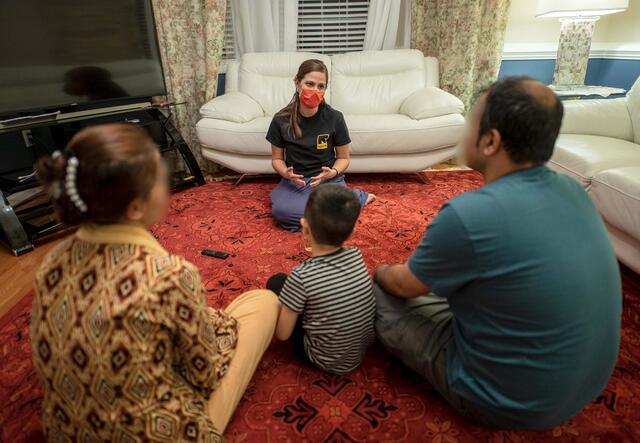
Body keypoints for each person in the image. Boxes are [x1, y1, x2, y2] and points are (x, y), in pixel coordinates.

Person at [373, 77, 622, 429]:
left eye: (470, 119)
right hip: (583, 388)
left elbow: (403, 285)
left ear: (490, 141)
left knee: (376, 291)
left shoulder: (469, 215)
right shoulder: (573, 189)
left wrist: (379, 269)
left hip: (502, 400)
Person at [30, 124, 279, 442]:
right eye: (160, 177)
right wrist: (218, 328)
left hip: (66, 432)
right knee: (262, 302)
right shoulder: (169, 274)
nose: (167, 184)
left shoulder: (51, 262)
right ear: (135, 207)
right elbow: (205, 373)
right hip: (159, 432)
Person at [266, 184, 375, 374]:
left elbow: (282, 335)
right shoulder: (357, 257)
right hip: (358, 354)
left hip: (322, 359)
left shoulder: (301, 276)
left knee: (276, 282)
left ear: (305, 229)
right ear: (352, 233)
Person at [267, 59, 375, 232]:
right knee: (282, 213)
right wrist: (285, 174)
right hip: (297, 181)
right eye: (309, 84)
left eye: (321, 86)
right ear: (297, 84)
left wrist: (332, 172)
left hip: (328, 180)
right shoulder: (280, 119)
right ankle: (328, 215)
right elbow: (277, 159)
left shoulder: (335, 118)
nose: (315, 90)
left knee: (334, 209)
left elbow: (343, 157)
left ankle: (356, 197)